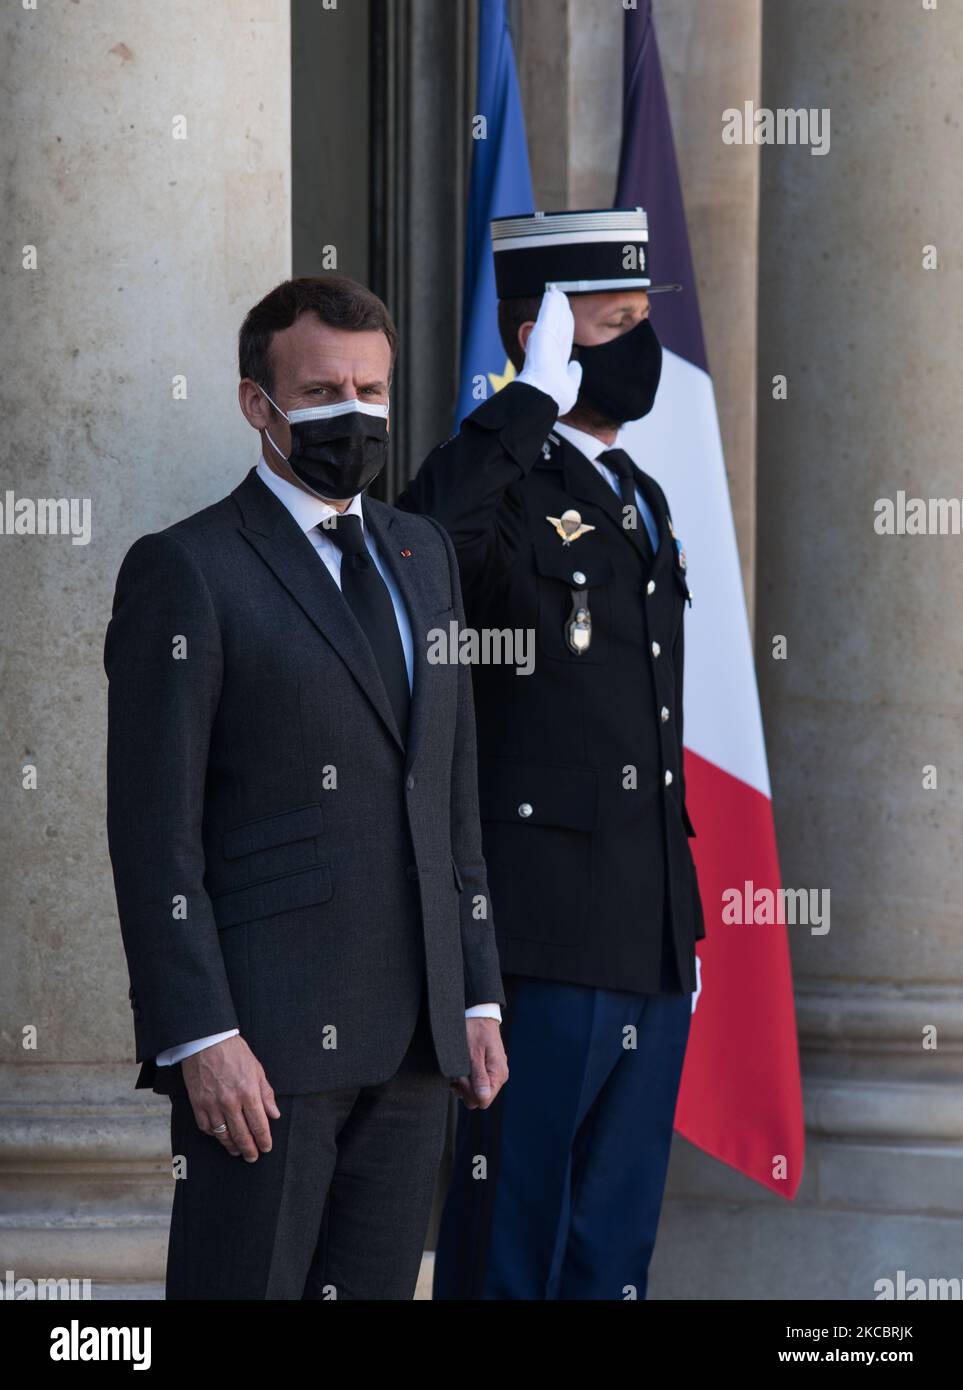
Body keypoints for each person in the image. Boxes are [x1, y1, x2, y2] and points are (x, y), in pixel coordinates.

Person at [105, 275, 508, 1300]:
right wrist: (201, 1033)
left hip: (416, 1042)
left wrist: (474, 991)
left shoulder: (424, 557)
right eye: (325, 391)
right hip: (264, 1050)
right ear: (259, 404)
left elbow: (451, 793)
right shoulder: (186, 569)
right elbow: (155, 832)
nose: (355, 415)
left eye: (372, 391)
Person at [396, 208, 704, 1300]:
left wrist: (685, 929)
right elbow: (418, 545)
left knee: (612, 1250)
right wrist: (526, 399)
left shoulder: (642, 498)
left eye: (640, 319)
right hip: (542, 932)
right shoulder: (506, 485)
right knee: (509, 1240)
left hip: (651, 934)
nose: (639, 346)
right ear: (544, 333)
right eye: (609, 325)